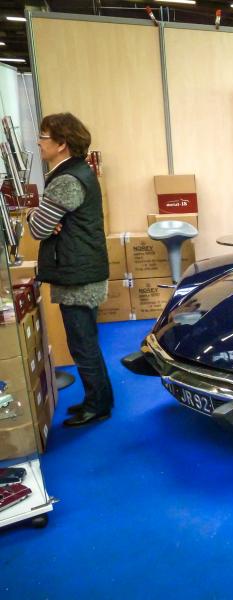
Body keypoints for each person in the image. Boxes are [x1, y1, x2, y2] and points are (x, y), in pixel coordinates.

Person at [27, 113, 114, 427]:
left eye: (43, 137)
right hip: (82, 270)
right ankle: (98, 399)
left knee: (82, 343)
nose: (39, 142)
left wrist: (35, 217)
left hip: (79, 275)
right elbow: (47, 224)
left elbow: (38, 228)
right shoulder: (76, 172)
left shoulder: (66, 180)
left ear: (62, 143)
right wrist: (47, 219)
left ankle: (98, 405)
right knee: (85, 341)